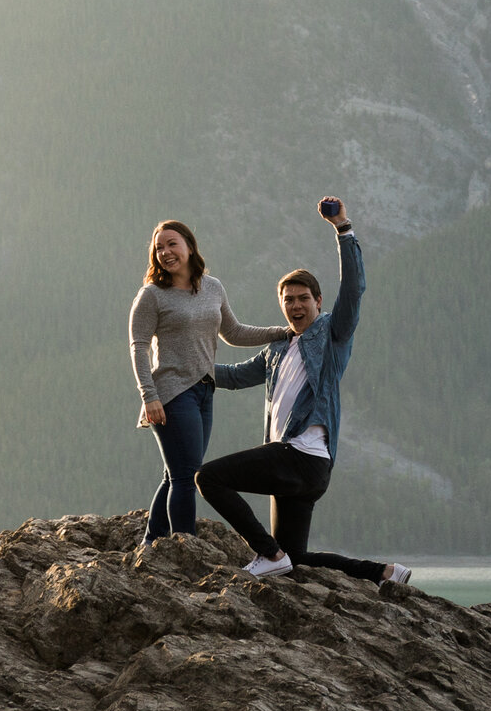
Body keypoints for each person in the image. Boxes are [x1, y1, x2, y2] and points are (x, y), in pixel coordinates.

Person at [196, 196, 412, 584]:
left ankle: (267, 552)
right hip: (300, 467)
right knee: (294, 561)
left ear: (318, 301)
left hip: (302, 455)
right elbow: (232, 375)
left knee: (208, 478)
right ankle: (384, 572)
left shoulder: (332, 335)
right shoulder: (278, 347)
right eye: (288, 300)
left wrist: (343, 230)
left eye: (302, 299)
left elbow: (354, 289)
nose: (295, 306)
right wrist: (185, 369)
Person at [128, 219, 292, 545]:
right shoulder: (152, 295)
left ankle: (151, 543)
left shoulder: (213, 287)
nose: (165, 252)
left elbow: (233, 333)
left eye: (172, 244)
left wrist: (282, 332)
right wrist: (149, 397)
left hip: (205, 390)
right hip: (171, 393)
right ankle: (184, 546)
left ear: (189, 246)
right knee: (187, 476)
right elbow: (139, 347)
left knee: (175, 474)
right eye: (159, 248)